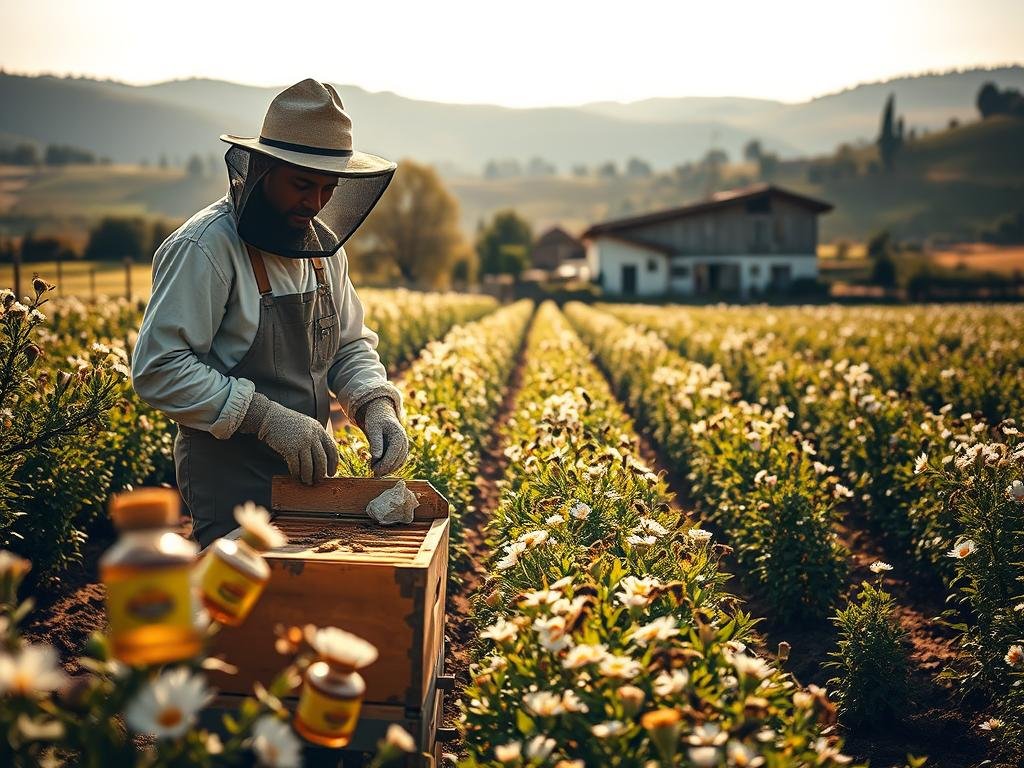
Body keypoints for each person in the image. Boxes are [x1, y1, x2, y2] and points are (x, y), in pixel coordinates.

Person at [131, 79, 409, 548]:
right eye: (302, 184)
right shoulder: (206, 248)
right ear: (261, 169)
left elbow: (347, 344)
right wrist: (264, 417)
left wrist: (373, 403)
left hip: (307, 484)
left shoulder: (321, 248)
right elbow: (159, 368)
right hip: (233, 492)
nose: (316, 203)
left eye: (327, 188)